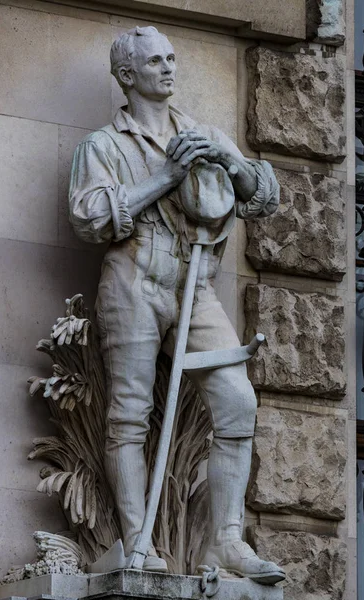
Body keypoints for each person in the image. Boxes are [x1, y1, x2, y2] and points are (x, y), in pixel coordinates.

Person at [69, 25, 285, 584]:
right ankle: (141, 545)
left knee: (238, 400)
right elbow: (91, 218)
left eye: (171, 58)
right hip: (134, 278)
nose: (168, 68)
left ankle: (226, 543)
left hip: (195, 280)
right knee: (129, 417)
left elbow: (265, 197)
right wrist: (167, 176)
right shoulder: (104, 145)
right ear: (126, 75)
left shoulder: (203, 133)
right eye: (154, 61)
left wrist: (230, 162)